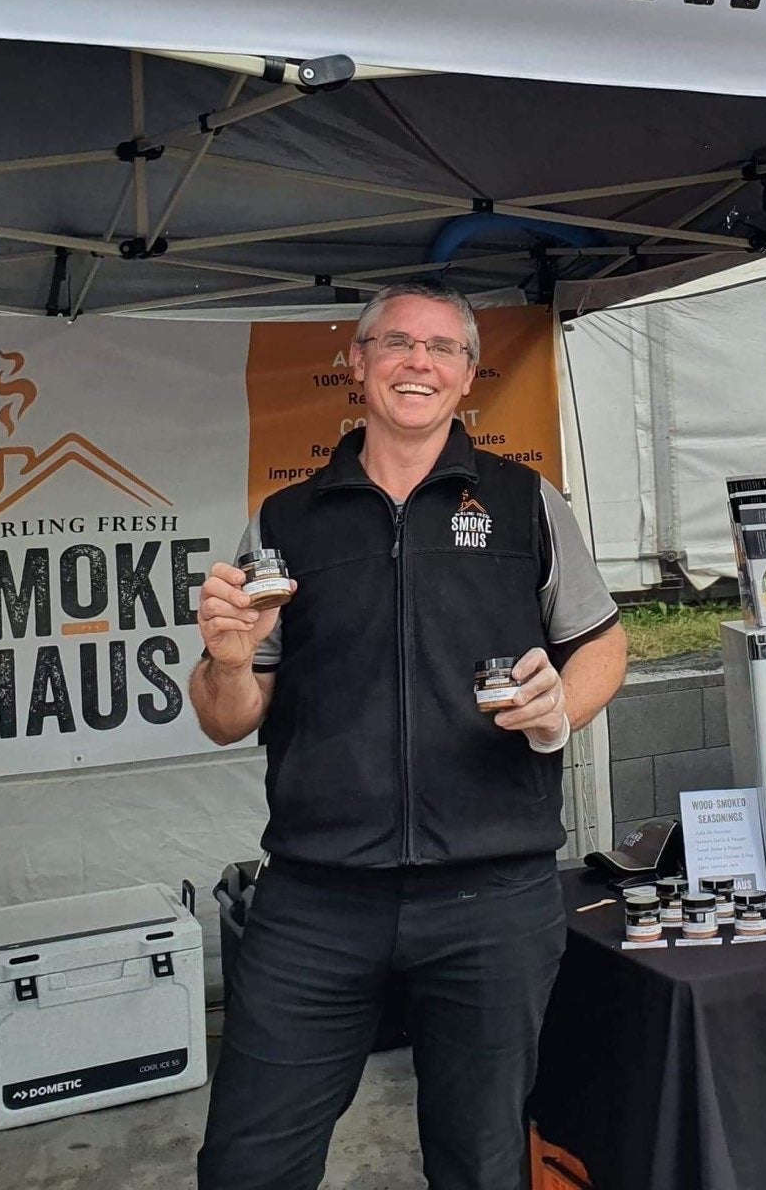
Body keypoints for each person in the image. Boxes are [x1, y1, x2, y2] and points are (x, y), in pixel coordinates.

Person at [191, 281, 627, 1190]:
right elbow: (229, 717)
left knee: (482, 1161)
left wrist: (561, 711)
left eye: (441, 349)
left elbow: (602, 644)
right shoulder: (285, 521)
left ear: (469, 375)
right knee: (247, 1161)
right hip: (316, 900)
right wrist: (229, 662)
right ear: (356, 365)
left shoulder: (526, 504)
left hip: (491, 899)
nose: (417, 363)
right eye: (395, 344)